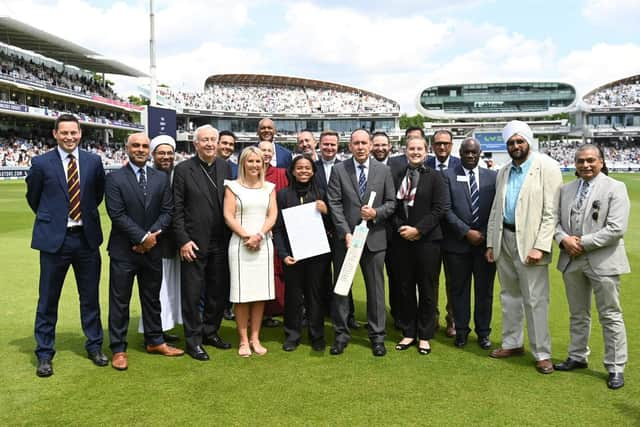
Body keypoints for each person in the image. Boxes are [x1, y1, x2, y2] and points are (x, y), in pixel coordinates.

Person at [26, 114, 108, 377]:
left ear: (80, 133)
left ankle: (94, 346)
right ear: (55, 134)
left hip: (85, 240)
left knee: (90, 298)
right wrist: (56, 220)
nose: (69, 137)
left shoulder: (93, 162)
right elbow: (34, 198)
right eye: (64, 133)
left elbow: (96, 196)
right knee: (48, 300)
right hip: (54, 242)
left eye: (73, 133)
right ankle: (44, 353)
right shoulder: (40, 163)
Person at [485, 120, 562, 374]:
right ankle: (512, 343)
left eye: (519, 141)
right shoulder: (504, 170)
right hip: (504, 240)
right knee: (509, 296)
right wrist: (490, 243)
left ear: (528, 141)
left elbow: (552, 212)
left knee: (535, 299)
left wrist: (540, 246)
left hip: (530, 243)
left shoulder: (547, 166)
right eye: (510, 142)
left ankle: (542, 353)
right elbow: (497, 208)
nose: (515, 146)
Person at [553, 144, 630, 390]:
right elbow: (554, 222)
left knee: (610, 315)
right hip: (571, 260)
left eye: (590, 160)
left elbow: (616, 228)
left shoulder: (615, 188)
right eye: (580, 161)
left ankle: (616, 366)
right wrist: (563, 239)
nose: (585, 165)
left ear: (601, 161)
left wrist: (581, 243)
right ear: (574, 164)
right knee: (578, 313)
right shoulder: (565, 190)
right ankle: (577, 356)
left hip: (602, 260)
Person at [105, 133, 184, 370]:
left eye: (144, 146)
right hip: (124, 250)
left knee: (151, 298)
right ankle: (118, 349)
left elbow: (167, 211)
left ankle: (155, 340)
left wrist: (150, 237)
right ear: (127, 148)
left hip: (152, 249)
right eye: (135, 145)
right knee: (120, 301)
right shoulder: (114, 178)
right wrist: (141, 238)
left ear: (149, 150)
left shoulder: (160, 178)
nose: (140, 149)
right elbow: (116, 214)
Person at [327, 129, 396, 357]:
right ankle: (341, 334)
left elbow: (391, 202)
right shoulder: (339, 170)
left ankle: (377, 337)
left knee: (375, 290)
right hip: (346, 241)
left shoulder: (383, 170)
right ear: (350, 146)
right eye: (355, 143)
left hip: (374, 239)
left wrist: (375, 212)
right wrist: (345, 232)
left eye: (364, 143)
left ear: (370, 145)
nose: (360, 147)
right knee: (342, 287)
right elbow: (334, 203)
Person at [173, 125, 233, 361]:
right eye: (204, 140)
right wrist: (183, 240)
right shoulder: (183, 170)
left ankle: (211, 331)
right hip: (194, 243)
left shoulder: (225, 167)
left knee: (217, 293)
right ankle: (193, 340)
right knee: (192, 294)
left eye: (213, 140)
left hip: (221, 241)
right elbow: (176, 209)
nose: (209, 144)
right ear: (195, 144)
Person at [390, 136, 447, 355]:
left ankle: (425, 335)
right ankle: (408, 331)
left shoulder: (435, 177)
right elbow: (393, 207)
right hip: (402, 241)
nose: (415, 152)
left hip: (428, 242)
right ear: (405, 151)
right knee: (405, 288)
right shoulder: (397, 176)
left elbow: (439, 209)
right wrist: (402, 229)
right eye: (411, 148)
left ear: (426, 151)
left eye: (419, 149)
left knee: (427, 288)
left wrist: (418, 230)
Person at [442, 138, 497, 350]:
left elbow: (495, 209)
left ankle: (483, 333)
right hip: (457, 244)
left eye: (474, 153)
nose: (471, 156)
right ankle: (461, 331)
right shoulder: (447, 175)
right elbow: (446, 209)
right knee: (459, 290)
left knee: (485, 291)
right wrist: (466, 232)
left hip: (485, 245)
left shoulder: (493, 177)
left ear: (480, 153)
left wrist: (482, 233)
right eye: (466, 153)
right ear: (460, 153)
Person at [223, 146, 278, 357]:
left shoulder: (269, 187)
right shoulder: (232, 187)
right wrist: (247, 236)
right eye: (250, 161)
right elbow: (228, 216)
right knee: (242, 295)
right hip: (240, 245)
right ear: (243, 163)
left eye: (258, 161)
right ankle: (243, 340)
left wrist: (259, 236)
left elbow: (272, 216)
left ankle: (256, 338)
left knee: (259, 295)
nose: (255, 165)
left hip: (263, 244)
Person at [274, 154, 329, 352]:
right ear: (293, 171)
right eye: (299, 168)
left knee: (315, 297)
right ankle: (292, 335)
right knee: (293, 297)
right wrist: (282, 254)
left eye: (307, 168)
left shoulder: (322, 193)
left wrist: (326, 211)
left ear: (314, 171)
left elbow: (331, 226)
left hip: (317, 256)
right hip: (293, 256)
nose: (303, 171)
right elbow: (278, 228)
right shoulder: (282, 195)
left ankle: (317, 336)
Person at [137, 135, 182, 341]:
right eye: (161, 153)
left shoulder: (176, 175)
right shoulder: (148, 176)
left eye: (169, 153)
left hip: (173, 242)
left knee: (168, 289)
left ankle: (161, 328)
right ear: (153, 155)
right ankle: (152, 331)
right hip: (152, 241)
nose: (166, 157)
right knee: (155, 289)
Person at [315, 130, 358, 328]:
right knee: (321, 275)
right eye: (325, 144)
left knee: (344, 275)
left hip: (343, 230)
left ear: (338, 146)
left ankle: (348, 316)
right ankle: (323, 313)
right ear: (319, 145)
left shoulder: (347, 168)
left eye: (333, 144)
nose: (329, 148)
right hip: (319, 229)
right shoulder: (312, 168)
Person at [426, 129, 461, 338]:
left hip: (453, 233)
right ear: (432, 145)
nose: (441, 147)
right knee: (430, 279)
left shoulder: (460, 165)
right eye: (438, 143)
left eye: (445, 143)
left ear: (451, 145)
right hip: (429, 232)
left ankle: (452, 318)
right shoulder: (425, 164)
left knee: (453, 280)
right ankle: (432, 317)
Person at [258, 140, 288, 327]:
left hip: (281, 229)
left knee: (282, 271)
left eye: (270, 151)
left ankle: (283, 309)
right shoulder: (249, 175)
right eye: (263, 150)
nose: (267, 154)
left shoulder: (282, 174)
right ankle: (262, 313)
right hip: (258, 230)